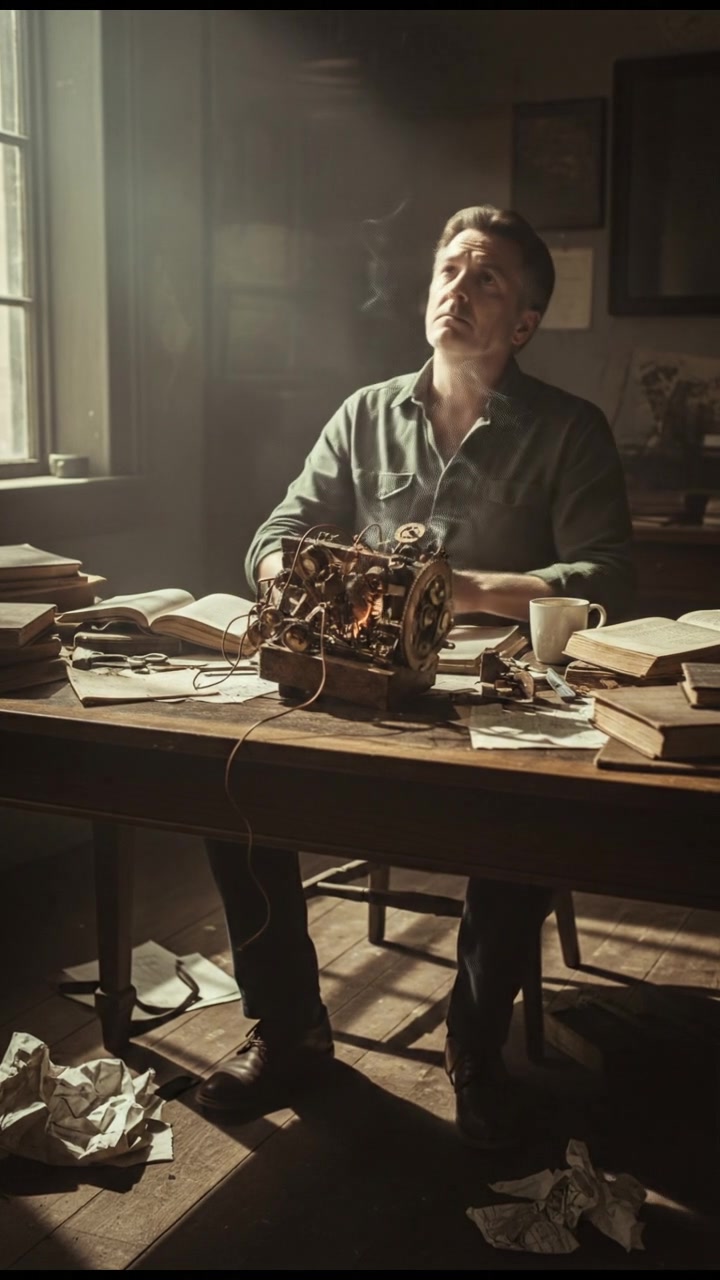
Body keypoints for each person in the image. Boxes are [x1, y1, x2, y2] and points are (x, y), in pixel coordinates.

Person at [197, 205, 635, 1147]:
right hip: (360, 690)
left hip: (492, 693)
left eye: (486, 281)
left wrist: (467, 590)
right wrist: (309, 575)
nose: (458, 292)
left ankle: (473, 1048)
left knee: (524, 815)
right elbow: (269, 540)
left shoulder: (570, 430)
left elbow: (607, 577)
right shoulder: (363, 415)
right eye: (449, 272)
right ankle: (291, 1030)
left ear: (523, 322)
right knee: (231, 786)